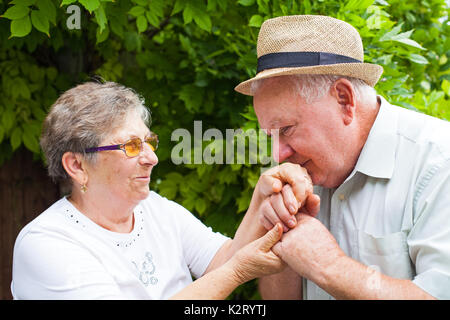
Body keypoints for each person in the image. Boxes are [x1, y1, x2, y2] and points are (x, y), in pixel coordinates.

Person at [10, 81, 305, 299]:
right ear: (76, 165)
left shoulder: (154, 208)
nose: (152, 157)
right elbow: (232, 267)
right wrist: (237, 272)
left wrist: (262, 198)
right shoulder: (47, 243)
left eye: (149, 142)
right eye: (131, 146)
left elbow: (222, 258)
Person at [234, 15, 450, 299]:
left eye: (286, 129)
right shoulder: (301, 169)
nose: (278, 155)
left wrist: (329, 267)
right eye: (270, 136)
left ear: (345, 100)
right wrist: (281, 233)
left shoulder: (438, 161)